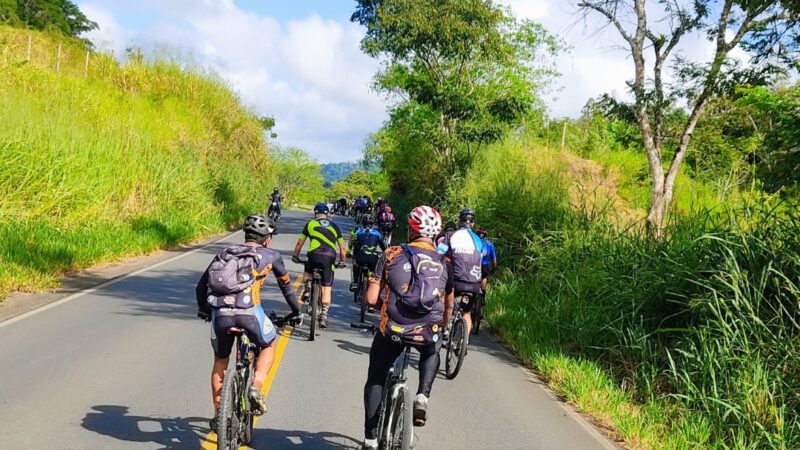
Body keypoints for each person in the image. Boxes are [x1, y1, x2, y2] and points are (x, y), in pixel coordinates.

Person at [195, 215, 300, 432]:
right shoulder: (271, 255)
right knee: (270, 345)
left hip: (221, 315)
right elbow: (287, 287)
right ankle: (256, 386)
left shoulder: (225, 254)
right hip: (250, 313)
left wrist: (205, 310)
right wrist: (296, 310)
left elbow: (201, 287)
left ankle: (219, 416)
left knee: (220, 362)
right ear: (267, 239)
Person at [362, 206, 454, 450]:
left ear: (410, 229)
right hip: (428, 329)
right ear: (437, 233)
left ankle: (370, 440)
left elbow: (371, 299)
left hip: (393, 328)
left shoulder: (391, 253)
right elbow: (448, 305)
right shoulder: (445, 263)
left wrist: (384, 307)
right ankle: (423, 396)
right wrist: (440, 327)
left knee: (376, 376)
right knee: (432, 350)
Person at [292, 203, 347, 329]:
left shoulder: (310, 224)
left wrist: (295, 255)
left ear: (315, 213)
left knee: (307, 267)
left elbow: (300, 242)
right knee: (326, 287)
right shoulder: (334, 226)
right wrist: (342, 261)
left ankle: (308, 284)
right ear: (327, 214)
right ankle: (323, 315)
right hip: (329, 257)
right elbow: (342, 247)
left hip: (314, 254)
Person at [438, 208, 483, 336]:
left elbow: (438, 253)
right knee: (467, 313)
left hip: (456, 281)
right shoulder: (478, 240)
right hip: (475, 283)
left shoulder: (451, 236)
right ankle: (465, 340)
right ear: (472, 224)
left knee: (445, 303)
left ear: (459, 221)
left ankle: (445, 329)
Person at [349, 214, 386, 294]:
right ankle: (372, 284)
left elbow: (352, 242)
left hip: (360, 257)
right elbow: (383, 246)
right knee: (373, 271)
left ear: (362, 222)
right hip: (373, 258)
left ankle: (355, 282)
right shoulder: (377, 232)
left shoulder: (358, 231)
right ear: (373, 223)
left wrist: (349, 251)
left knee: (355, 264)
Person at [476, 227, 497, 292]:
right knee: (484, 277)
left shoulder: (474, 242)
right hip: (485, 265)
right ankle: (483, 295)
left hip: (475, 264)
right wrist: (493, 269)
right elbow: (494, 261)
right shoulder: (490, 244)